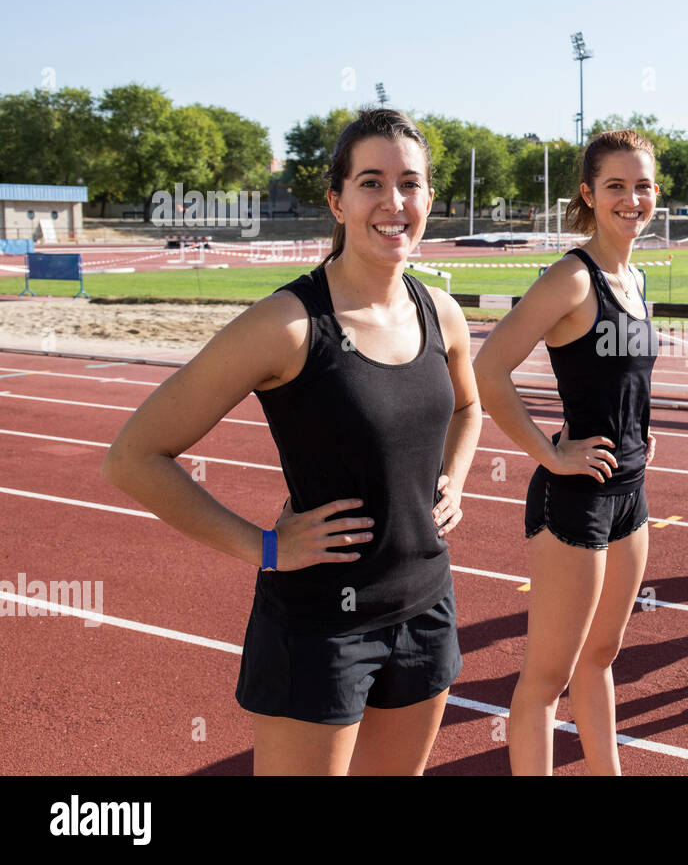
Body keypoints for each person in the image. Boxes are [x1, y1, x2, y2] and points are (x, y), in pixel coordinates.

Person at [100, 109, 482, 775]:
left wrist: (457, 477)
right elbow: (134, 456)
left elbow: (469, 406)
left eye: (410, 183)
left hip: (426, 606)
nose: (394, 202)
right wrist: (264, 546)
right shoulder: (288, 324)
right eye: (371, 182)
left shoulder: (440, 311)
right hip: (321, 627)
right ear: (337, 200)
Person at [473, 129, 659, 776]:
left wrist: (641, 432)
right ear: (589, 193)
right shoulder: (572, 279)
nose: (631, 199)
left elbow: (625, 381)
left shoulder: (634, 277)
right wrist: (550, 455)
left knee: (601, 658)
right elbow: (488, 369)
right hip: (574, 499)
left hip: (630, 496)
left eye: (642, 185)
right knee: (544, 682)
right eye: (616, 186)